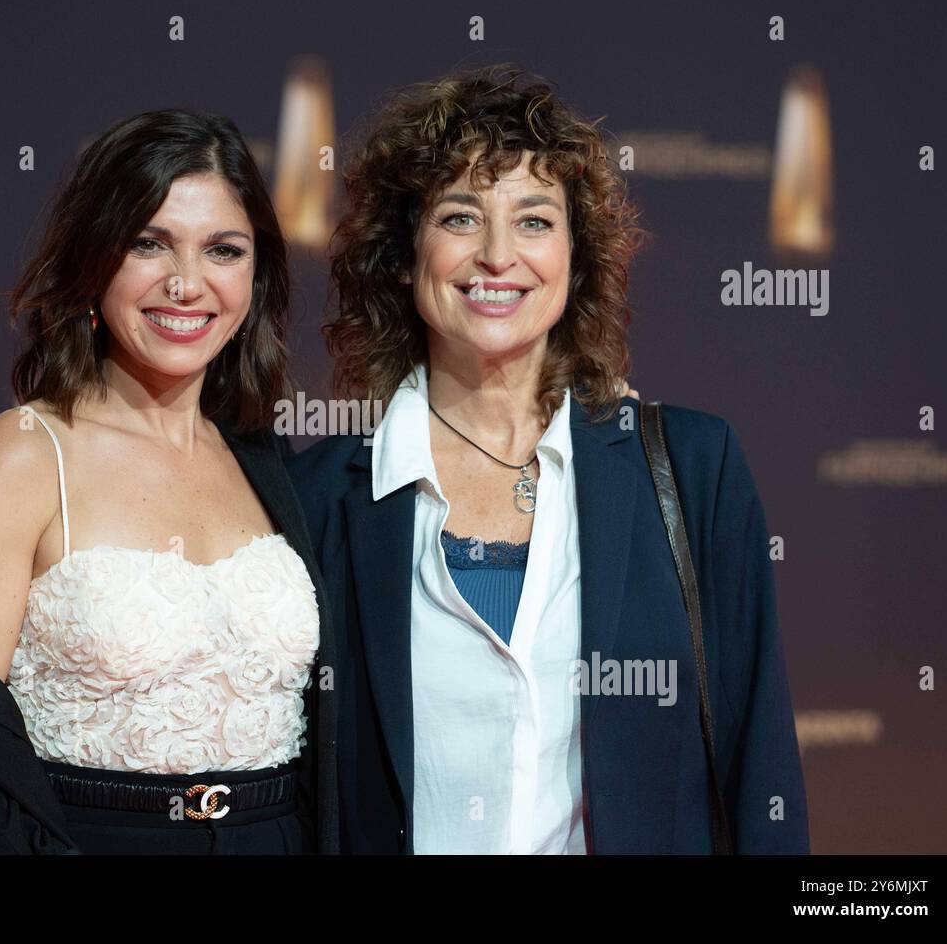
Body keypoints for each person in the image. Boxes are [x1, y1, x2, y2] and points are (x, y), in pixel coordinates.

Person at [289, 63, 809, 853]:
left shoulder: (695, 469)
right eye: (461, 218)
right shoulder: (316, 496)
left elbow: (758, 761)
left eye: (535, 221)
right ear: (403, 254)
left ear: (577, 256)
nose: (499, 256)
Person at [0, 109, 338, 854]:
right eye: (149, 244)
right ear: (94, 261)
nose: (186, 283)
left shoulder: (264, 462)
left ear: (256, 275)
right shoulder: (22, 453)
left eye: (224, 249)